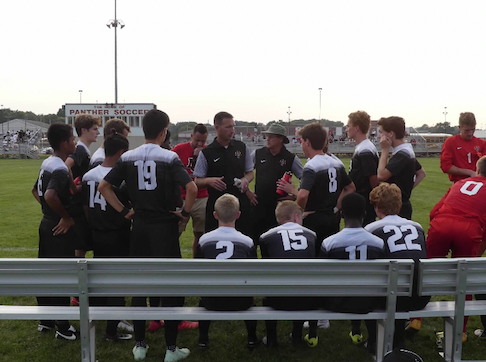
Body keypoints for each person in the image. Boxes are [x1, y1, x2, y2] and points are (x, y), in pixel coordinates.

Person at [99, 109, 197, 362]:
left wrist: (124, 212)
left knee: (139, 287)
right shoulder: (170, 156)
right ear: (164, 131)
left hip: (140, 226)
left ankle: (140, 345)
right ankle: (171, 349)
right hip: (164, 227)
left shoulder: (128, 156)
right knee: (171, 287)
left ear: (144, 129)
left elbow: (104, 186)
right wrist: (184, 214)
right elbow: (191, 188)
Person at [423, 156, 486, 342]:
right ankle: (462, 331)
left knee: (424, 272)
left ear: (477, 169)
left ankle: (415, 318)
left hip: (442, 222)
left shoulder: (461, 183)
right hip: (469, 229)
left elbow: (434, 212)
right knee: (464, 281)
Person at [365, 183, 429, 351]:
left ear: (377, 207)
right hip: (420, 296)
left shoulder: (371, 229)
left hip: (391, 296)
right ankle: (398, 339)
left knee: (385, 285)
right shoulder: (417, 227)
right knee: (401, 283)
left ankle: (373, 339)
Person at [82, 130, 132, 341]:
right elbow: (128, 207)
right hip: (117, 233)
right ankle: (112, 329)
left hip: (96, 232)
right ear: (121, 153)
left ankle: (103, 316)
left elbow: (85, 207)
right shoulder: (120, 178)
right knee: (118, 282)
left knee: (101, 280)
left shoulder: (88, 175)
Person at [31, 123, 79, 340]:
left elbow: (35, 190)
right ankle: (63, 326)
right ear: (64, 143)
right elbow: (50, 195)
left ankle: (46, 319)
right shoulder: (59, 168)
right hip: (59, 228)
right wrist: (66, 217)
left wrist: (50, 213)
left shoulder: (49, 162)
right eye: (73, 139)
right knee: (61, 275)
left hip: (46, 224)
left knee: (46, 272)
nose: (75, 142)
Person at [319, 193, 384, 351]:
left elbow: (321, 276)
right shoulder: (378, 243)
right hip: (370, 303)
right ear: (364, 214)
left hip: (337, 303)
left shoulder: (329, 243)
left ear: (341, 215)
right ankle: (372, 338)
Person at [196, 194, 260, 351]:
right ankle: (252, 338)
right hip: (240, 301)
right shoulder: (247, 241)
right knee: (250, 299)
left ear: (215, 215)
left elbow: (198, 269)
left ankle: (203, 339)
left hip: (211, 301)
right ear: (238, 215)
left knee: (203, 299)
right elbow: (253, 271)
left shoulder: (204, 240)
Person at [278, 122, 355, 250]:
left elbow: (303, 195)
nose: (301, 145)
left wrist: (299, 214)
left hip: (313, 219)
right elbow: (350, 188)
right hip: (331, 218)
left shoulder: (311, 166)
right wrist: (336, 208)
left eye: (301, 141)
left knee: (313, 258)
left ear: (307, 142)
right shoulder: (336, 162)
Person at [259, 201, 318, 347]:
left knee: (268, 287)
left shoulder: (266, 237)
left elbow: (266, 271)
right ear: (296, 217)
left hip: (278, 299)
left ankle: (271, 337)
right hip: (306, 301)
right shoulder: (312, 235)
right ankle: (297, 335)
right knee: (303, 281)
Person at [193, 111, 254, 235]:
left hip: (240, 204)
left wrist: (245, 180)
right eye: (228, 127)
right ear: (217, 128)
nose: (232, 130)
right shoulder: (206, 152)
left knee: (244, 240)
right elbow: (197, 180)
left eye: (233, 126)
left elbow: (250, 172)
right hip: (217, 206)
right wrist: (208, 181)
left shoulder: (241, 147)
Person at [246, 123, 304, 245]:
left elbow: (305, 179)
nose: (267, 139)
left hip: (280, 210)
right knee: (252, 243)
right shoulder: (258, 154)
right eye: (267, 136)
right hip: (258, 206)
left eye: (271, 136)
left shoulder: (290, 158)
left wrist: (294, 195)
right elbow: (244, 173)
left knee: (275, 245)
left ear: (281, 139)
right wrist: (248, 192)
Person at [65, 114, 101, 259]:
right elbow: (66, 165)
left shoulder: (83, 150)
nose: (98, 132)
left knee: (82, 246)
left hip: (79, 205)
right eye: (95, 129)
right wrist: (74, 189)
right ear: (84, 130)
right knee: (80, 248)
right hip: (76, 206)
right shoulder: (80, 149)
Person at [377, 116, 426, 219]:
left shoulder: (402, 154)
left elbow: (381, 175)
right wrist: (407, 189)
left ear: (391, 134)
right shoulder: (406, 150)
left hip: (397, 208)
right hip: (402, 204)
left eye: (381, 132)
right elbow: (421, 173)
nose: (379, 136)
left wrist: (385, 150)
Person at [172, 124, 209, 257]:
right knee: (175, 232)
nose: (199, 143)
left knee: (200, 234)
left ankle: (197, 261)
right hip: (182, 196)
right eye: (197, 140)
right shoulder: (178, 149)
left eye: (202, 141)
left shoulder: (207, 151)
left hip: (201, 196)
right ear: (191, 136)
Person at [346, 111, 379, 225]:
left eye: (348, 126)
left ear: (356, 128)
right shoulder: (363, 147)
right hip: (360, 200)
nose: (347, 129)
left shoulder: (365, 150)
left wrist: (376, 201)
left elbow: (373, 178)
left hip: (364, 202)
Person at [440, 112, 486, 183]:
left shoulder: (481, 143)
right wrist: (469, 172)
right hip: (459, 183)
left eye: (473, 130)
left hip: (479, 183)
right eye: (467, 130)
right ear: (459, 128)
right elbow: (445, 166)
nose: (470, 133)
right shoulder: (451, 142)